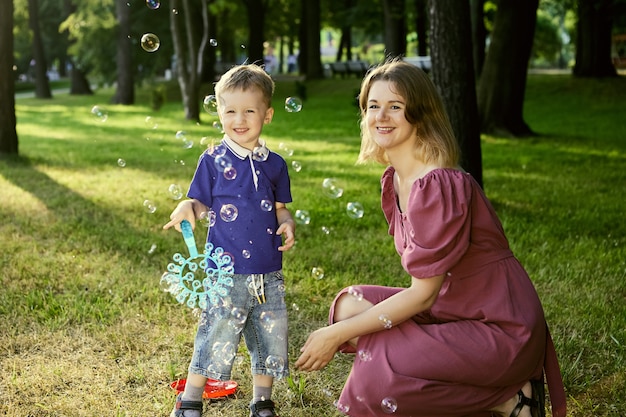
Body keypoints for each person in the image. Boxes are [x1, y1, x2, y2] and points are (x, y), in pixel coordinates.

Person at [295, 59, 567, 417]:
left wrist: (335, 335)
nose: (382, 116)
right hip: (452, 310)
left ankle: (510, 394)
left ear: (419, 114)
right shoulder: (396, 180)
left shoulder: (437, 183)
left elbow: (421, 296)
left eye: (396, 106)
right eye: (373, 106)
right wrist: (344, 326)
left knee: (377, 367)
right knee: (349, 305)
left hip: (499, 329)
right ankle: (501, 397)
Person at [164, 64, 296, 417]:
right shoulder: (212, 159)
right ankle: (190, 399)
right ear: (219, 112)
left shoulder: (275, 165)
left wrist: (287, 222)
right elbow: (198, 202)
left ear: (266, 115)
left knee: (267, 335)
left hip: (268, 271)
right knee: (216, 334)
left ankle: (262, 400)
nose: (239, 119)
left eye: (249, 111)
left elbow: (281, 209)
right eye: (230, 110)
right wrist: (186, 207)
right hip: (226, 269)